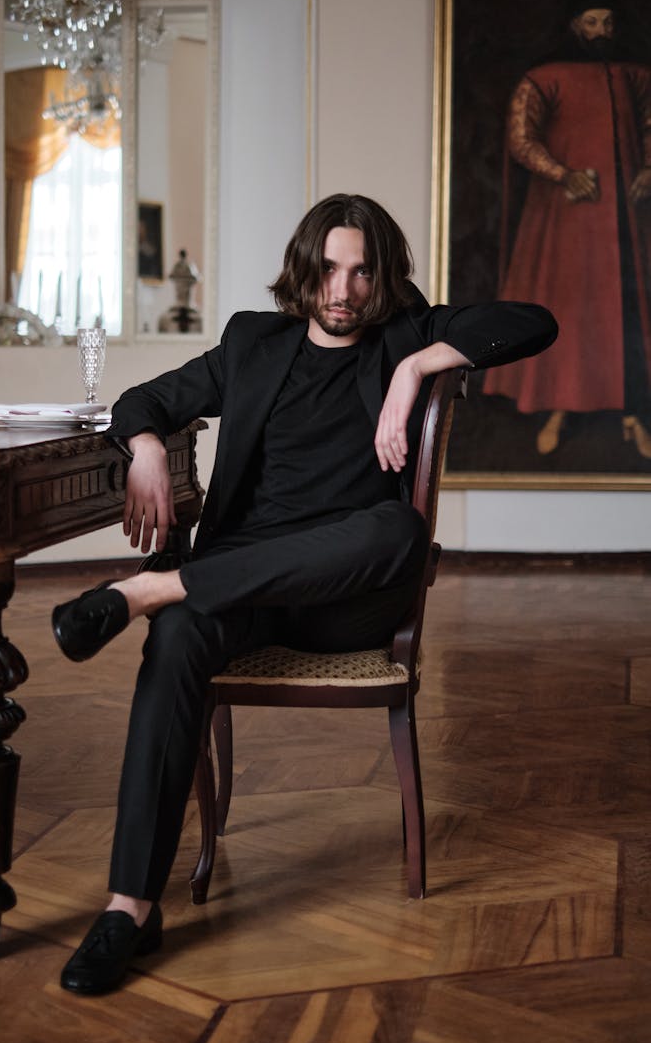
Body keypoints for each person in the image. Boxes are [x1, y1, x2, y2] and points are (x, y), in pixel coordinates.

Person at [51, 193, 557, 995]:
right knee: (178, 641)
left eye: (361, 271)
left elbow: (534, 321)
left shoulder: (404, 336)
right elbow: (143, 399)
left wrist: (421, 366)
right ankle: (129, 908)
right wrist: (144, 443)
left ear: (382, 276)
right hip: (244, 588)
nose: (343, 288)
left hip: (340, 602)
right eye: (328, 267)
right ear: (304, 268)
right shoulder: (255, 342)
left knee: (396, 530)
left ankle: (151, 589)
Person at [482, 0, 651, 458]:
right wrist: (563, 173)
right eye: (593, 22)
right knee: (570, 314)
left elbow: (650, 122)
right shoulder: (544, 77)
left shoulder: (635, 75)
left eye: (609, 22)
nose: (601, 31)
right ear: (576, 24)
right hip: (566, 220)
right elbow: (521, 139)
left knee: (630, 314)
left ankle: (632, 412)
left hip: (625, 224)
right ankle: (559, 406)